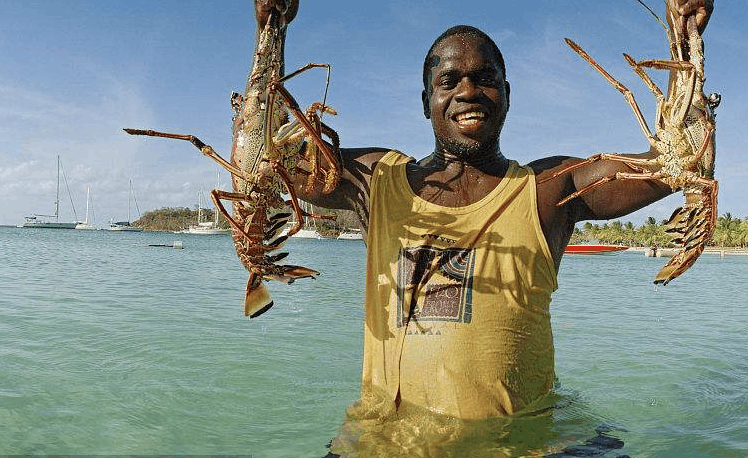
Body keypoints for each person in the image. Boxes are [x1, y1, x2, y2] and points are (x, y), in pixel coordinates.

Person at [291, 0, 713, 431]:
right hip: (386, 437)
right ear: (427, 101)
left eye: (485, 78)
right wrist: (271, 31)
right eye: (449, 80)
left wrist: (684, 38)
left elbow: (675, 164)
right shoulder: (376, 181)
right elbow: (268, 166)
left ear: (507, 95)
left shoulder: (550, 187)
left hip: (521, 439)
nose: (468, 91)